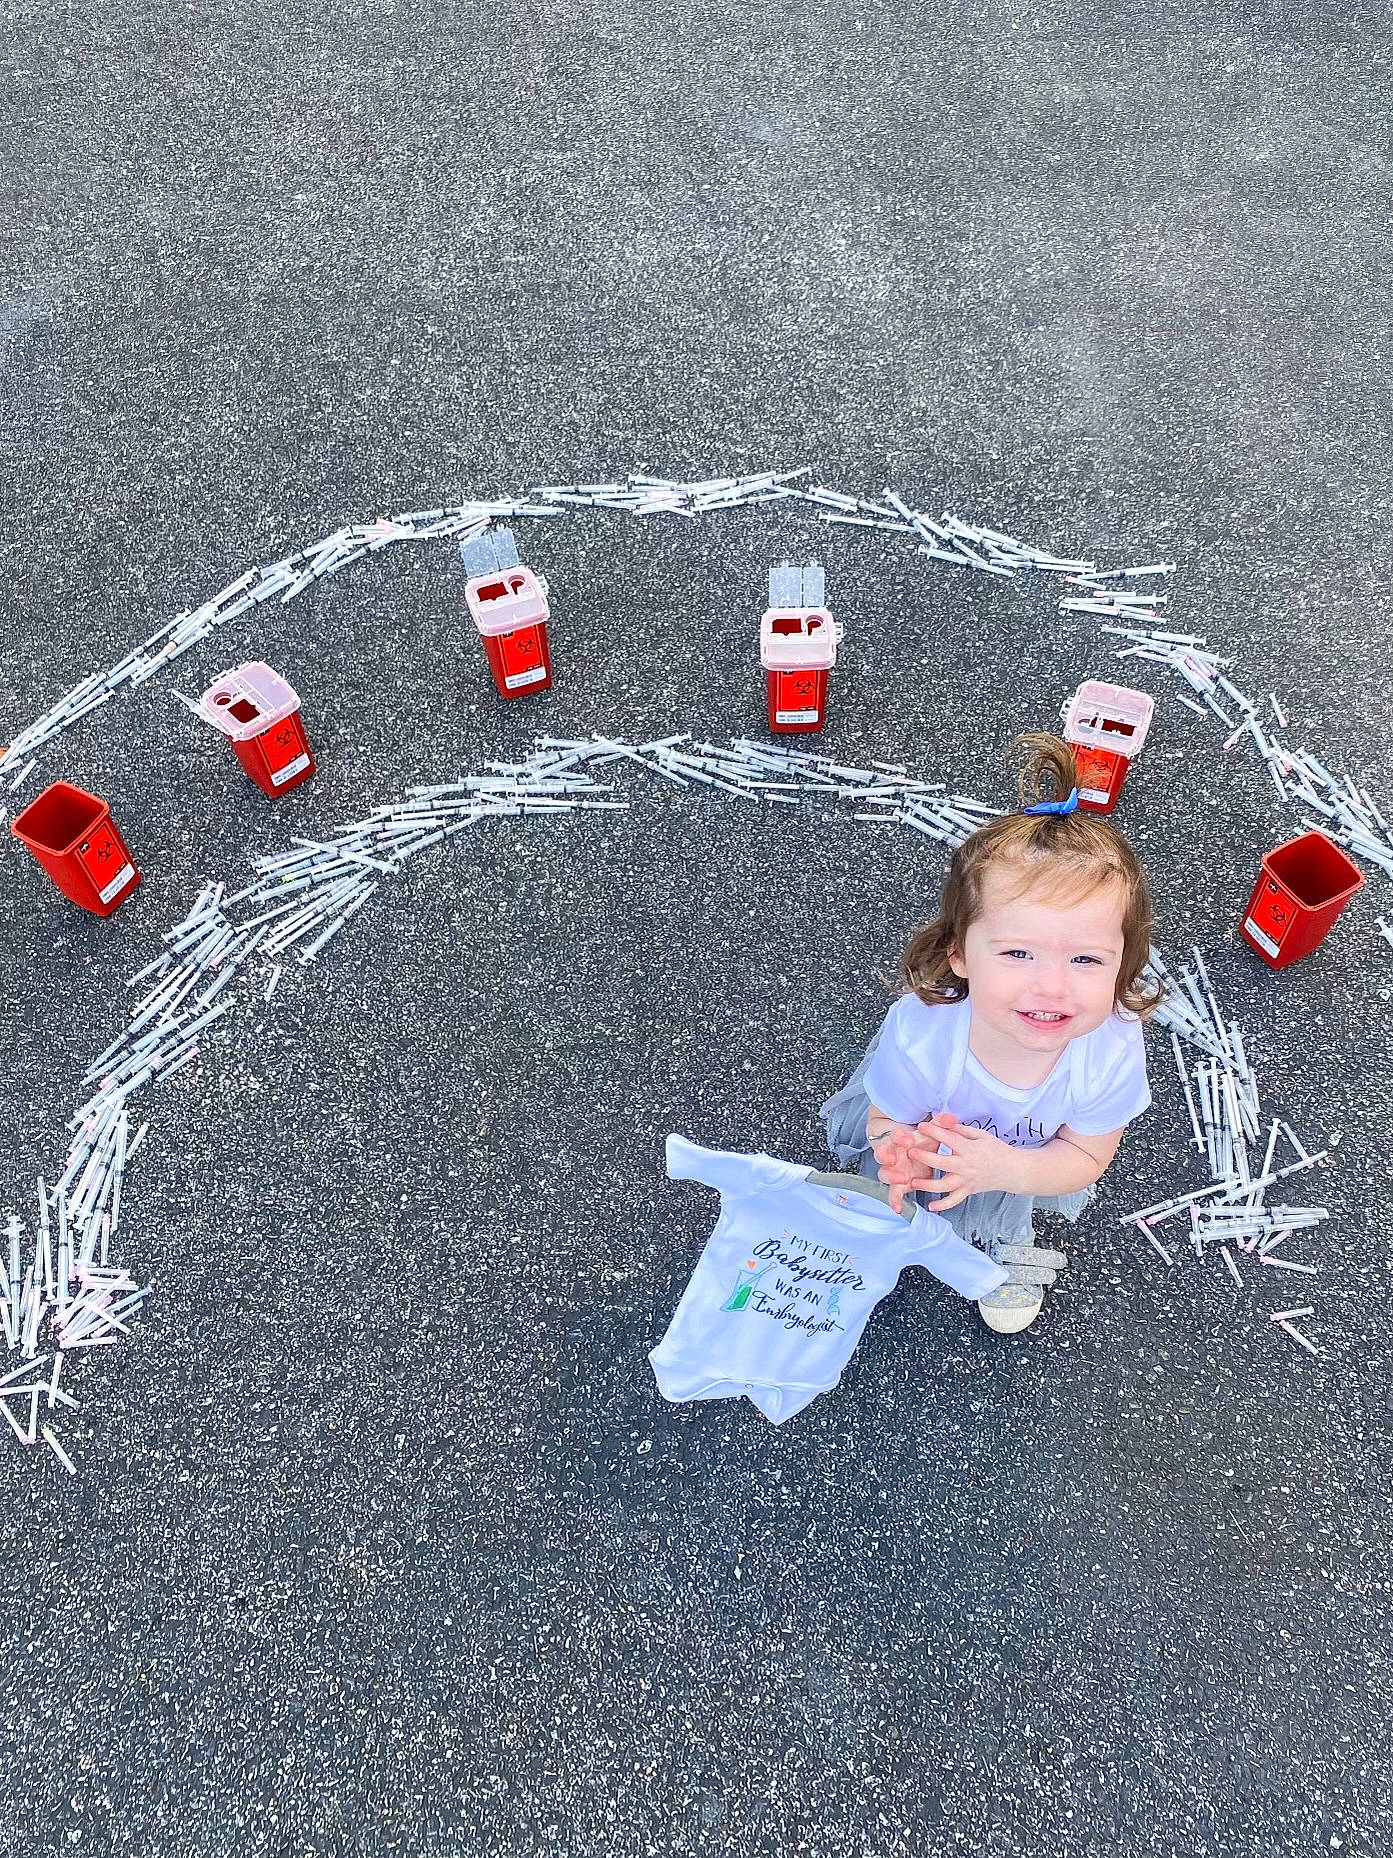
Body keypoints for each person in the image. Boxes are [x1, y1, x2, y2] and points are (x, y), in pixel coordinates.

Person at [819, 732, 1160, 1334]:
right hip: (931, 1122)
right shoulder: (922, 1038)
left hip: (1025, 1158)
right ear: (959, 954)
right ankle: (883, 1221)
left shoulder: (1108, 1050)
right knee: (891, 1189)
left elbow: (1084, 1155)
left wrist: (1008, 1170)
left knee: (1007, 1195)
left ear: (1122, 965)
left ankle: (1007, 1248)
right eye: (1018, 954)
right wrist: (903, 1152)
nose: (1052, 988)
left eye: (1087, 960)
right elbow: (884, 1120)